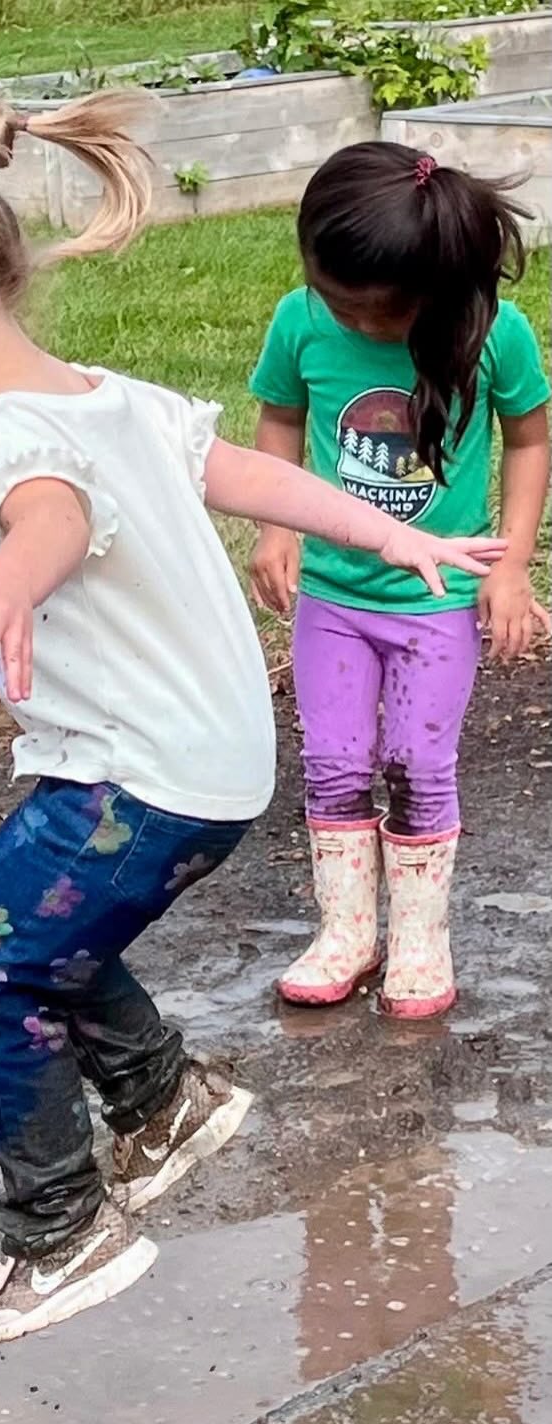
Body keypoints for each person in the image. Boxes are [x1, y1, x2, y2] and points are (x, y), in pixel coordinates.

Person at [0, 95, 504, 1343]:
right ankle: (164, 1100)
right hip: (211, 769)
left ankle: (61, 1227)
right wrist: (390, 529)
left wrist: (11, 576)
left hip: (139, 776)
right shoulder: (112, 394)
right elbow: (249, 475)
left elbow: (47, 513)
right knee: (24, 915)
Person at [249, 142, 550, 1019]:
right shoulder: (299, 320)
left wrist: (512, 564)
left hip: (439, 597)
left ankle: (420, 938)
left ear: (431, 296)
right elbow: (278, 418)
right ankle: (346, 932)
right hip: (334, 600)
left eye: (364, 311)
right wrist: (276, 526)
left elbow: (529, 438)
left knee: (418, 762)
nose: (342, 319)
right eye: (331, 297)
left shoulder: (495, 332)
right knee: (333, 760)